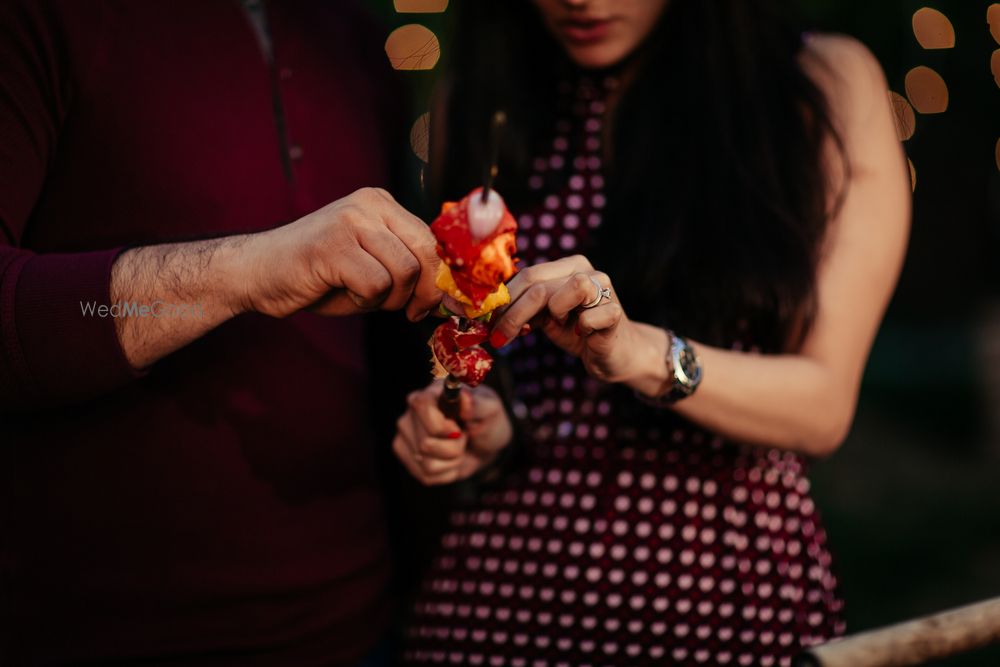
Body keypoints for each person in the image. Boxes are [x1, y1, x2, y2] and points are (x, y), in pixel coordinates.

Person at [393, 0, 910, 665]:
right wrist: (490, 427)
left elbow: (824, 404)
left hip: (714, 605)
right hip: (495, 604)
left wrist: (639, 351)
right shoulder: (483, 94)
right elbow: (480, 348)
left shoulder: (818, 85)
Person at [0, 1, 439, 664]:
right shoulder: (39, 19)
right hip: (107, 634)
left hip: (359, 625)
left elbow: (380, 358)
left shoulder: (358, 36)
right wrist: (246, 271)